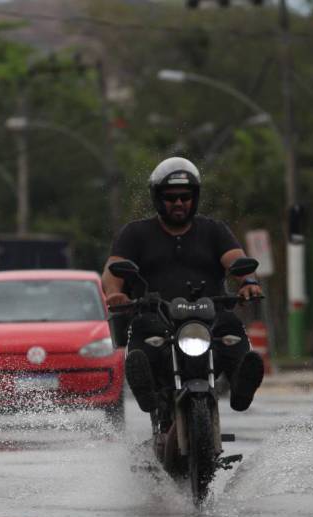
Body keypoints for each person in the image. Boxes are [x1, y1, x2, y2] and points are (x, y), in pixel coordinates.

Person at [102, 157, 265, 414]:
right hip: (156, 317)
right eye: (171, 197)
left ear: (195, 197)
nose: (179, 203)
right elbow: (113, 270)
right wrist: (115, 294)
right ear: (157, 198)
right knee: (144, 341)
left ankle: (241, 387)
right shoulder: (135, 233)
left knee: (232, 331)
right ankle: (148, 392)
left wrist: (249, 282)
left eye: (185, 196)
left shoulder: (214, 230)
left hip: (211, 318)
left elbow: (237, 261)